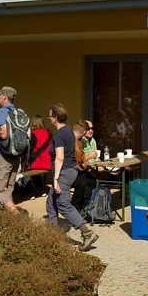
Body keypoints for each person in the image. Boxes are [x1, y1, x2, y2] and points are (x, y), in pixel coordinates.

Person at [46, 103, 98, 251]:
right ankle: (52, 236)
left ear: (55, 118)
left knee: (63, 203)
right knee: (51, 203)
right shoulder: (68, 130)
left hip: (64, 172)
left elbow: (60, 158)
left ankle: (87, 233)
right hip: (69, 170)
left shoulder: (60, 134)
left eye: (50, 115)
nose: (49, 118)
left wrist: (55, 179)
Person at [0, 86, 22, 213]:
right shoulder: (18, 112)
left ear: (4, 97)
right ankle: (5, 223)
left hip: (3, 155)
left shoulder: (3, 112)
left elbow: (3, 134)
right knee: (8, 189)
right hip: (16, 155)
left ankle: (16, 215)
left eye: (0, 95)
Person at [26, 115, 52, 199]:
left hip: (38, 163)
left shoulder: (33, 134)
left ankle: (30, 192)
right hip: (48, 162)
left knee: (28, 167)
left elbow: (30, 150)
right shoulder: (48, 133)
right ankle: (42, 190)